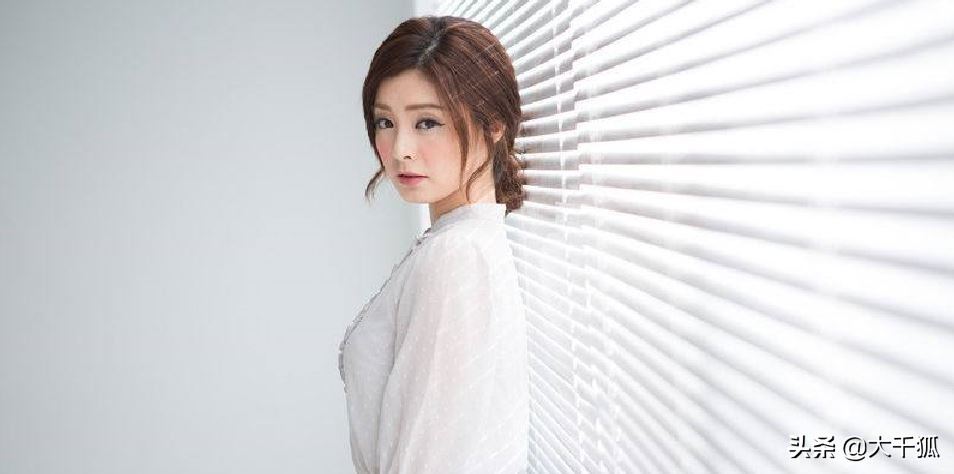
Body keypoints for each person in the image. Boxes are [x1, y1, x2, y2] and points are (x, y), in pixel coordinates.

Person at [337, 15, 530, 474]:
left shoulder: (457, 257)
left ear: (493, 124)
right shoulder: (460, 244)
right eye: (385, 121)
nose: (400, 147)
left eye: (427, 122)